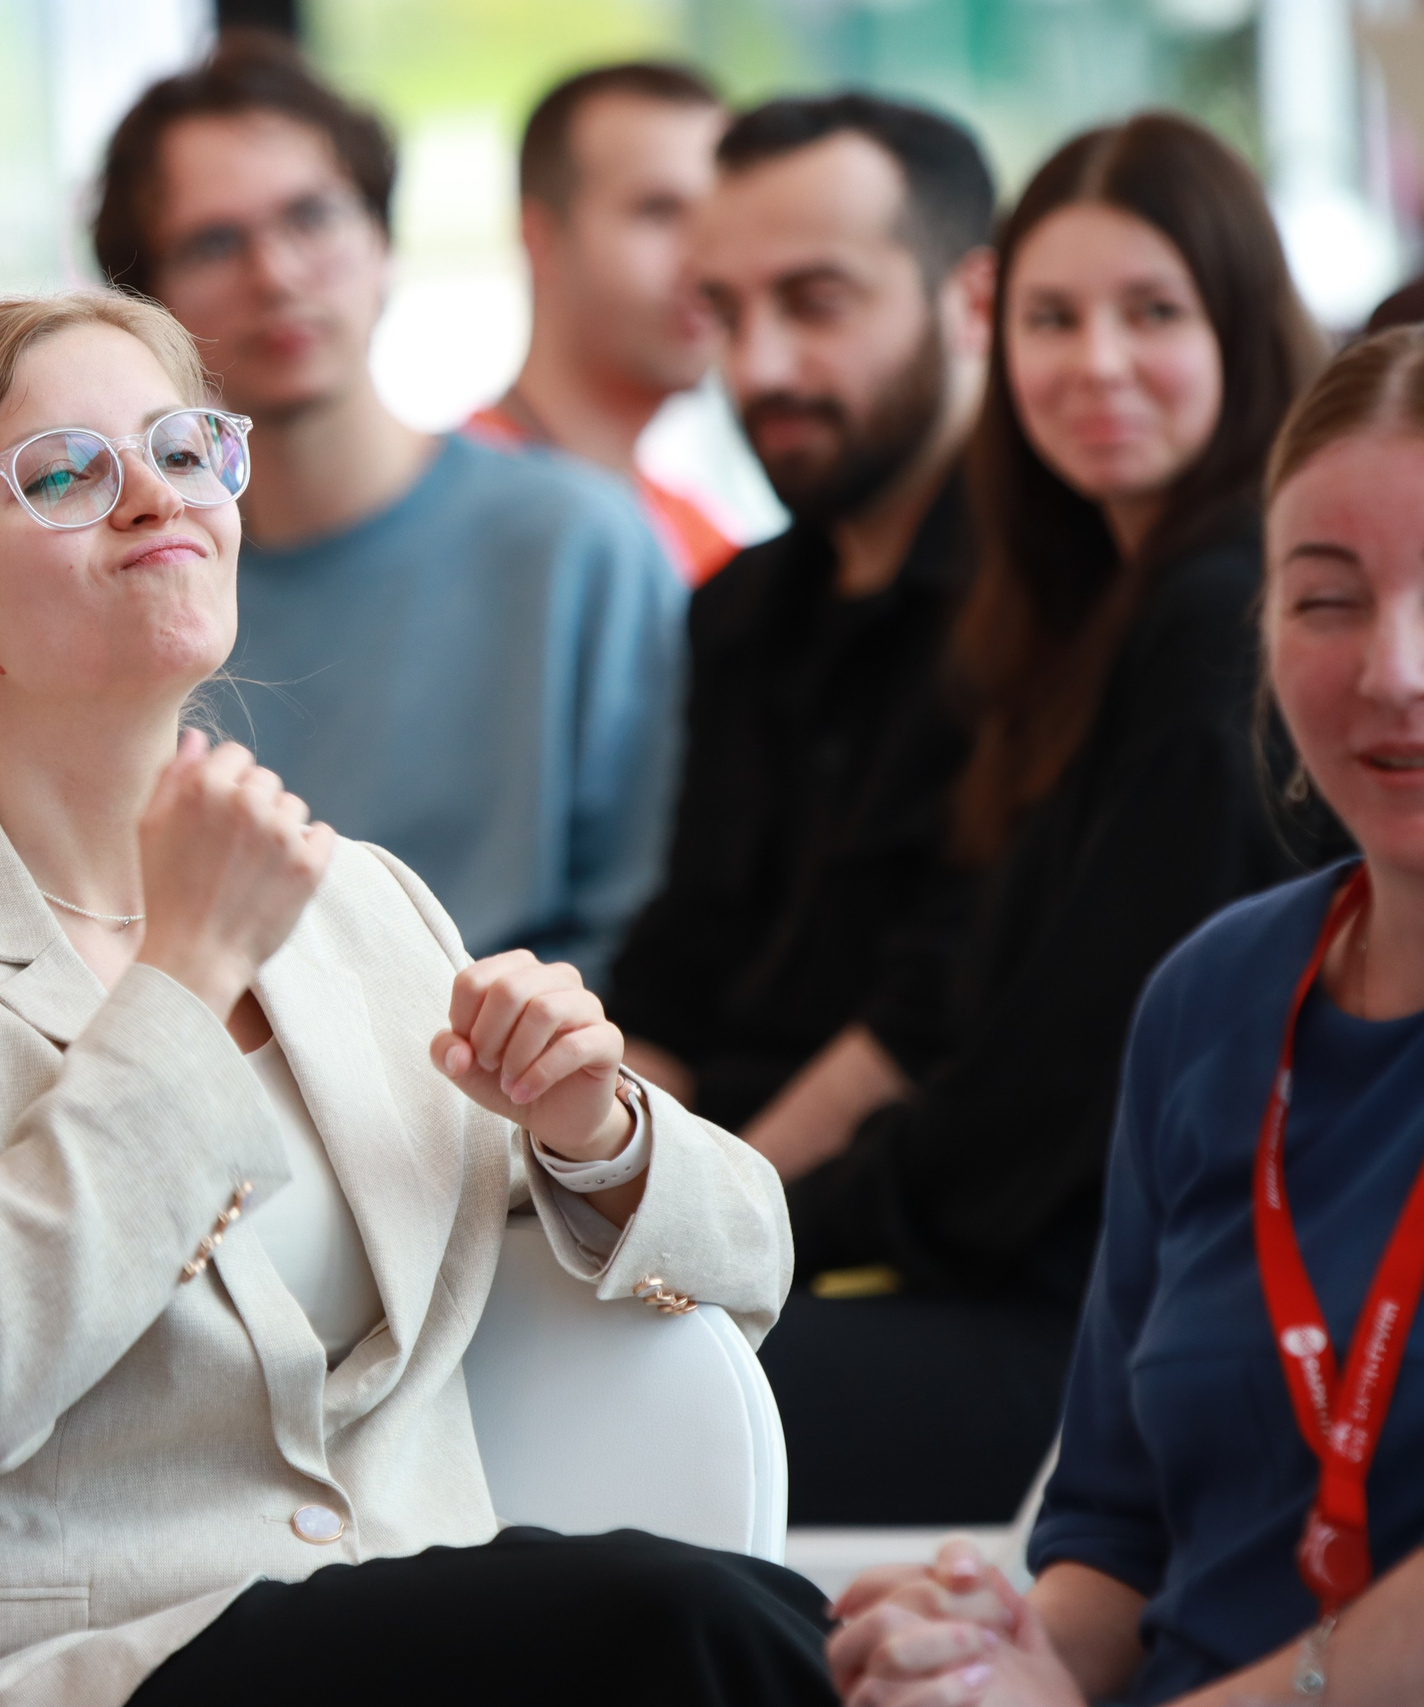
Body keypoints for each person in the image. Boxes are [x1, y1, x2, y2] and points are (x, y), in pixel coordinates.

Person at [0, 290, 827, 1707]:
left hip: (382, 1640)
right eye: (70, 472)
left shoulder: (358, 903)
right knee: (685, 1622)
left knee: (736, 1618)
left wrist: (596, 1131)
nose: (154, 497)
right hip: (19, 1672)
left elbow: (747, 1263)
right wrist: (183, 979)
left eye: (185, 449)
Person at [830, 327, 1424, 1707]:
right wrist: (1002, 1654)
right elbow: (1113, 1530)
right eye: (1327, 598)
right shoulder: (1215, 995)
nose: (1395, 668)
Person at [753, 110, 1331, 1527]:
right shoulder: (1081, 615)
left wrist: (765, 1224)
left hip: (1112, 1336)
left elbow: (1056, 1092)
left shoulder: (1216, 624)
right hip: (1040, 1289)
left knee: (613, 1395)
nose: (1096, 364)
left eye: (1154, 312)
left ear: (1244, 329)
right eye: (1052, 318)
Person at [93, 32, 686, 984]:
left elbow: (659, 928)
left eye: (312, 217)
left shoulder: (580, 544)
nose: (276, 274)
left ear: (383, 244)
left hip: (534, 1080)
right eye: (213, 242)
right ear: (145, 302)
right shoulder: (139, 588)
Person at [611, 93, 994, 1149]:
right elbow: (679, 967)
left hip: (887, 1232)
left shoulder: (1049, 608)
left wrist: (699, 1235)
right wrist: (571, 1186)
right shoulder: (738, 606)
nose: (758, 368)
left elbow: (940, 1012)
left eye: (815, 303)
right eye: (726, 314)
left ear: (974, 303)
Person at [464, 60, 737, 585]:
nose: (705, 260)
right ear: (537, 239)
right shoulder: (440, 515)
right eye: (659, 212)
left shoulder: (705, 544)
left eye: (717, 217)